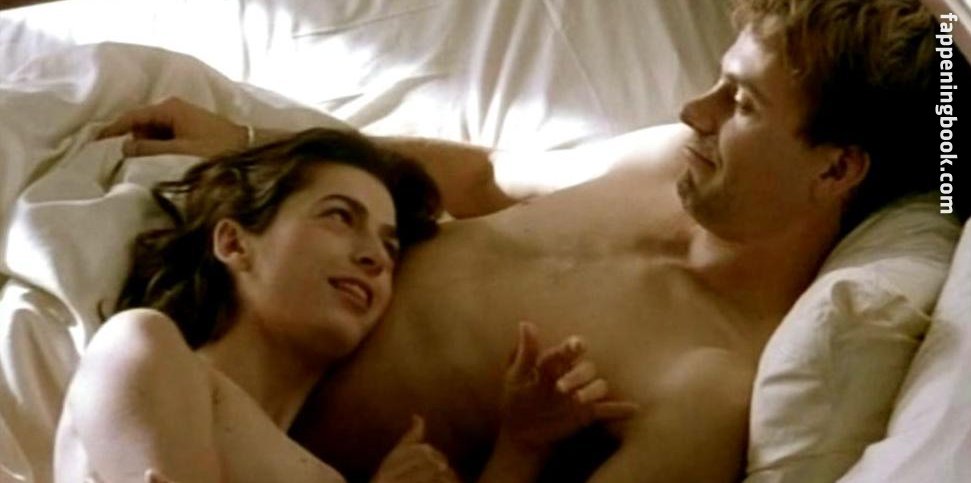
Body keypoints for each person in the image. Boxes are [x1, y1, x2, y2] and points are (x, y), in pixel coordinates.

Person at [96, 0, 969, 480]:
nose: (691, 110)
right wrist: (251, 143)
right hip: (219, 344)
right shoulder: (670, 162)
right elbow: (484, 175)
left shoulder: (703, 385)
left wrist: (516, 449)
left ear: (836, 168)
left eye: (739, 104)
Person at [53, 128, 637, 482]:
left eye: (390, 245)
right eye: (339, 217)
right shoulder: (142, 347)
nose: (374, 257)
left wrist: (521, 447)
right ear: (233, 242)